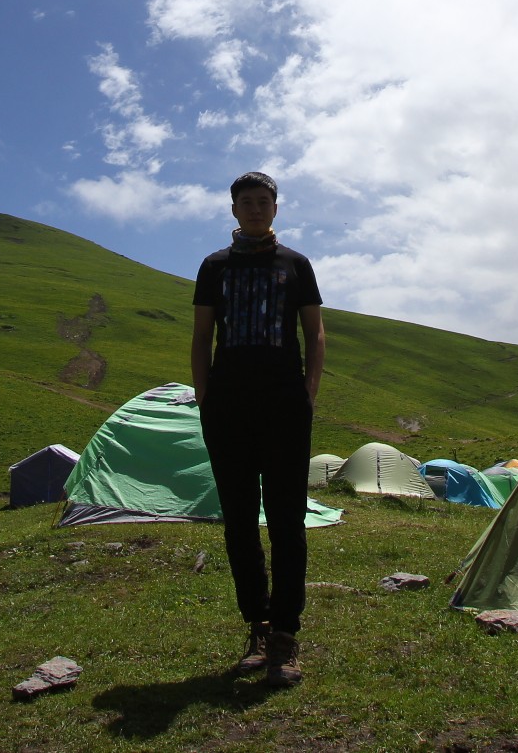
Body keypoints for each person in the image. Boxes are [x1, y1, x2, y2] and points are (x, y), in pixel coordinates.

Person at [191, 170, 325, 688]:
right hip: (228, 407)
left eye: (263, 201)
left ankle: (287, 636)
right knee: (240, 522)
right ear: (233, 209)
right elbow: (203, 336)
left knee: (288, 521)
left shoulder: (296, 264)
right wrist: (205, 398)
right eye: (245, 201)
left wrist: (307, 394)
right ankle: (258, 626)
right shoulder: (213, 267)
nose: (254, 208)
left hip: (285, 406)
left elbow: (314, 334)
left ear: (275, 208)